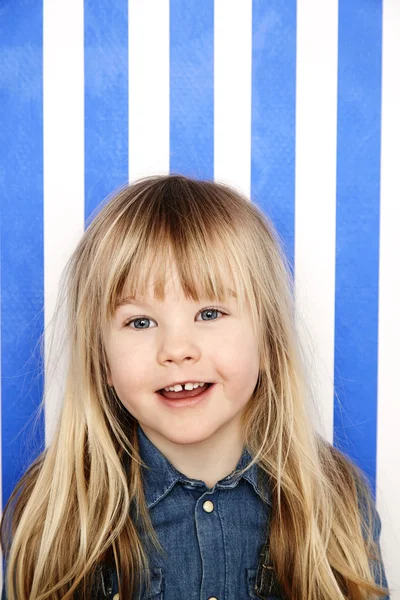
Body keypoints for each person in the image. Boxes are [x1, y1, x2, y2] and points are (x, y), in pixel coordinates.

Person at [0, 174, 390, 599]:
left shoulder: (335, 502)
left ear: (268, 340)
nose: (177, 349)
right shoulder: (60, 515)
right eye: (140, 321)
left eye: (209, 313)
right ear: (101, 360)